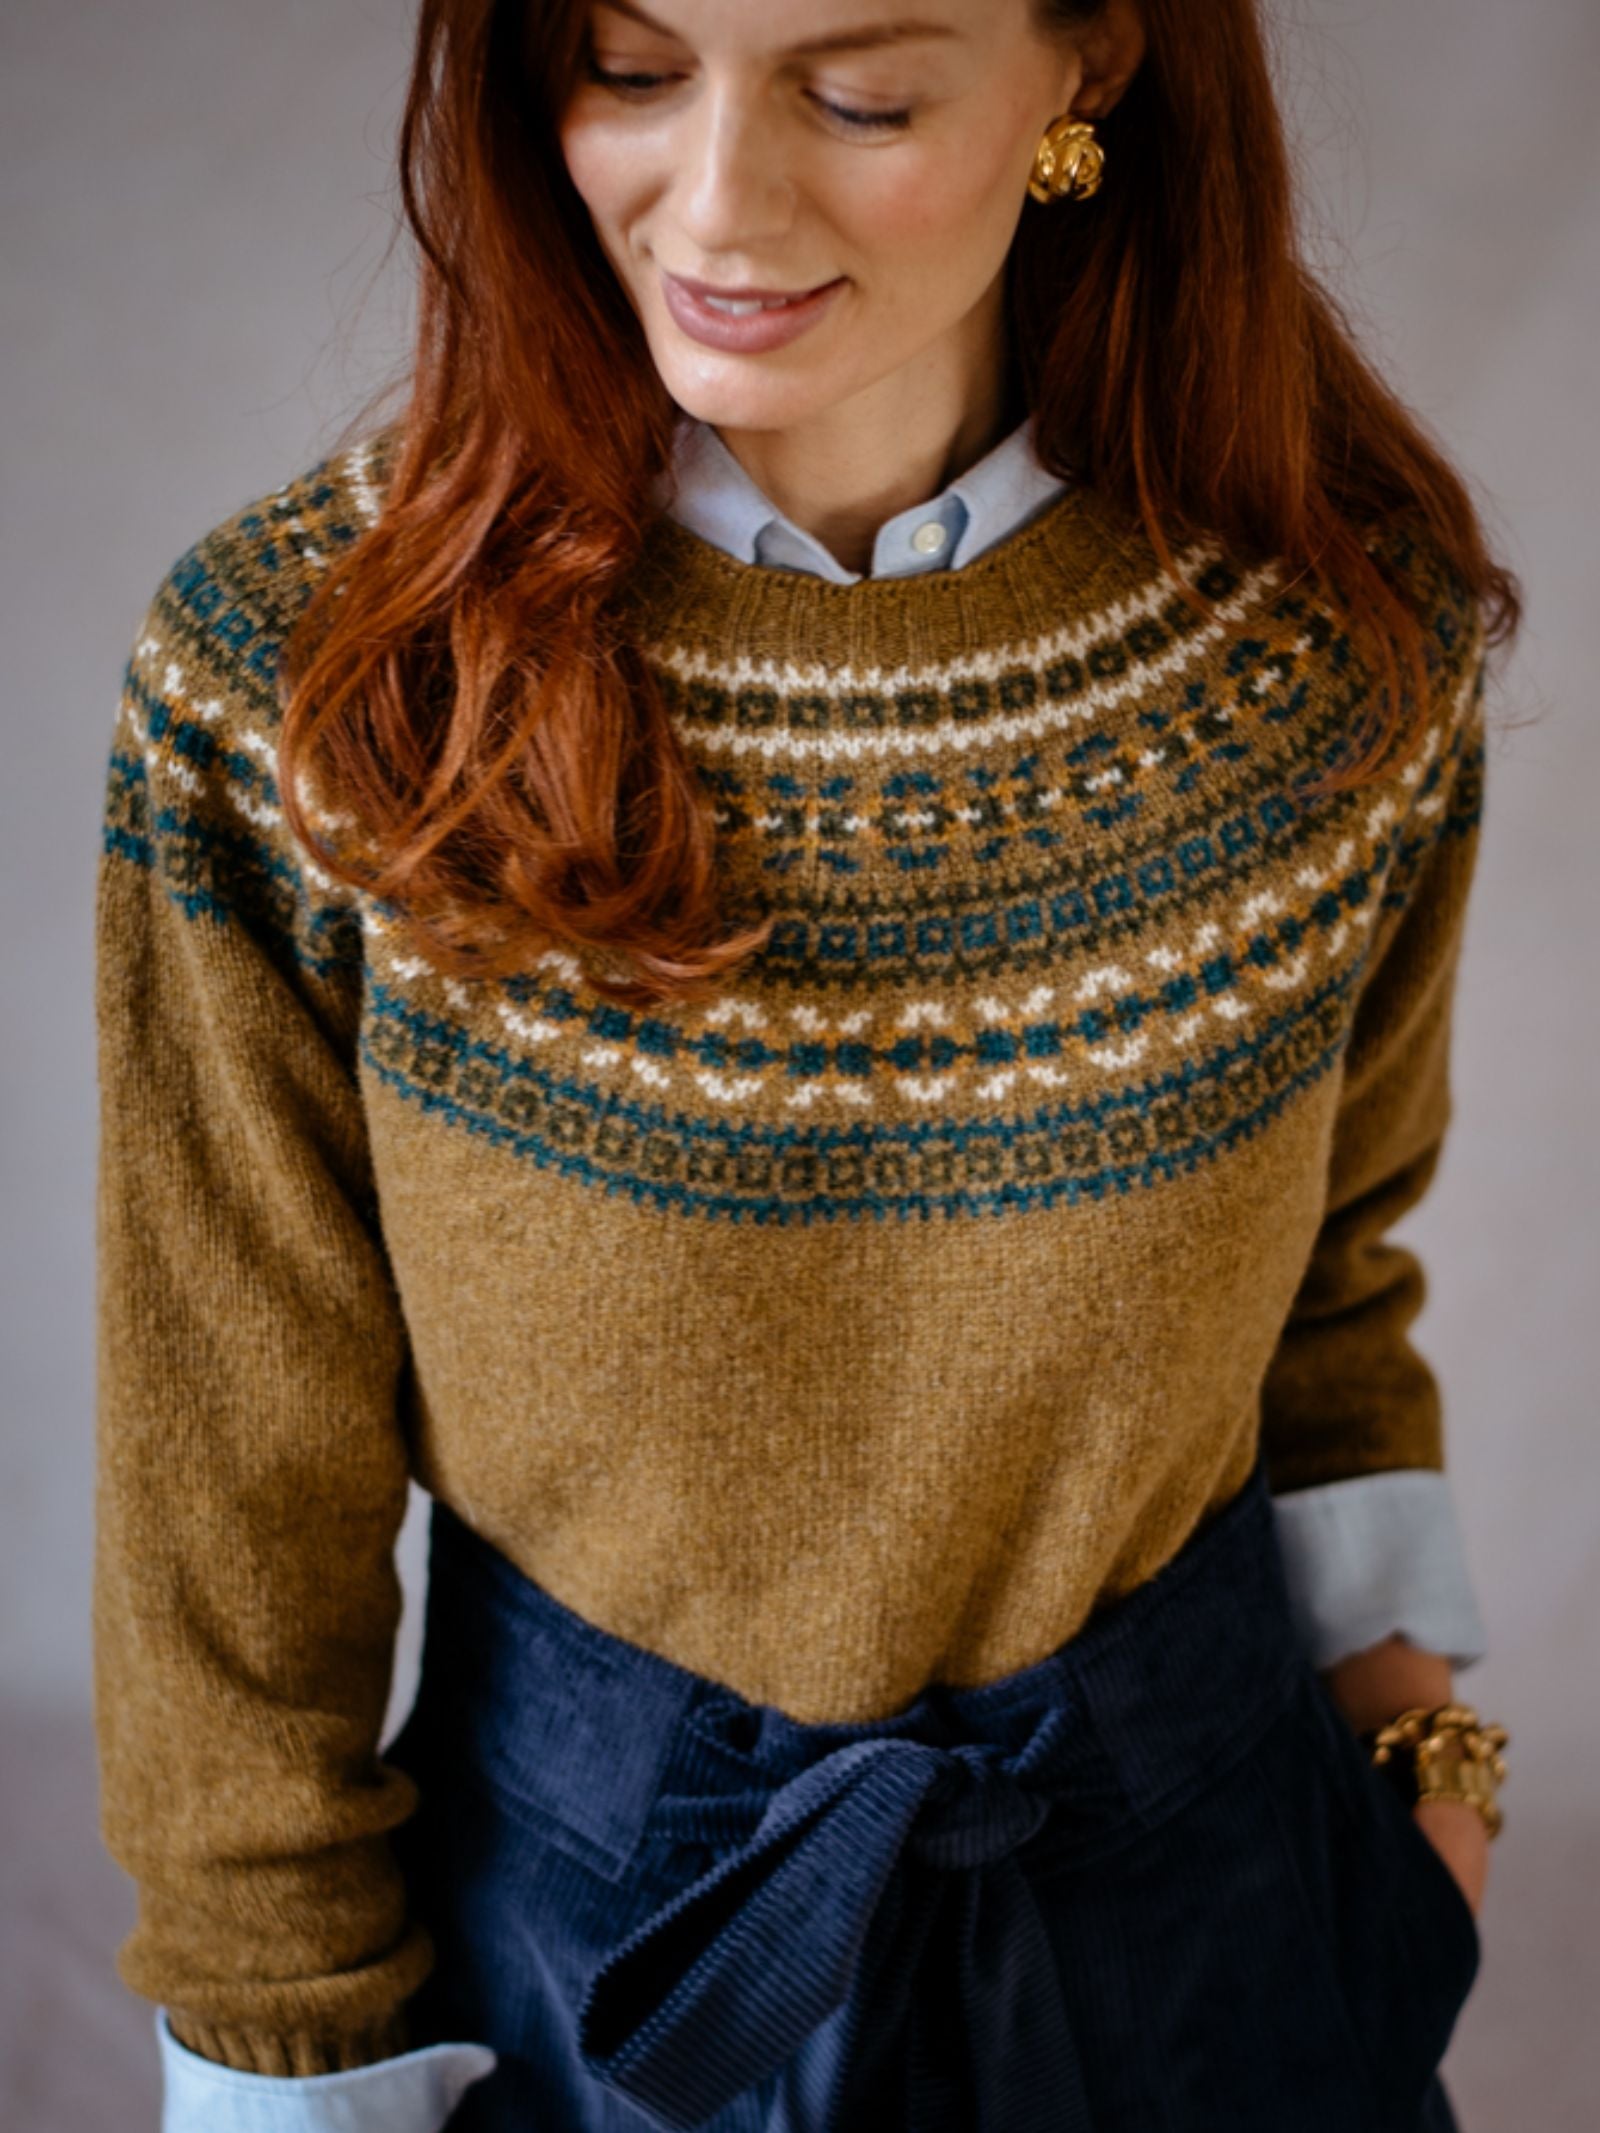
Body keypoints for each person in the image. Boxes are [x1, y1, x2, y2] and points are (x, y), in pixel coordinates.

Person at [91, 1, 1521, 2128]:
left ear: (1086, 71)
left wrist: (1424, 1787)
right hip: (592, 1950)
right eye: (629, 66)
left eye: (859, 92)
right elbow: (232, 1490)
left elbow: (1325, 1281)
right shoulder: (312, 695)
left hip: (1215, 1913)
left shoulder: (1326, 644)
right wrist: (280, 2048)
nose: (718, 203)